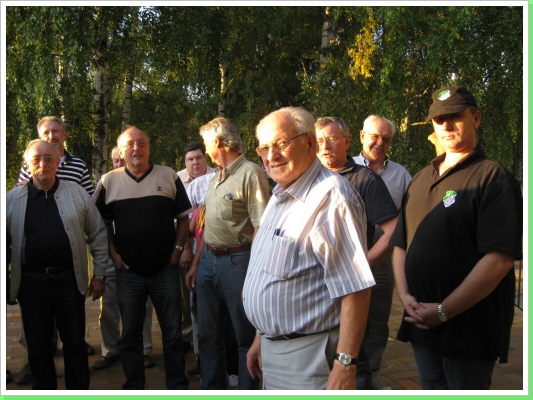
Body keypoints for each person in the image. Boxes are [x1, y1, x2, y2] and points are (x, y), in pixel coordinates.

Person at [389, 86, 522, 390]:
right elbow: (401, 243)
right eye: (439, 119)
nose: (447, 125)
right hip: (421, 323)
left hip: (470, 330)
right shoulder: (421, 178)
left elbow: (499, 259)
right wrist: (405, 296)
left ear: (476, 118)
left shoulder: (492, 177)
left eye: (456, 117)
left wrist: (443, 311)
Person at [243, 107, 375, 390]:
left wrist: (345, 365)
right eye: (264, 148)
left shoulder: (332, 198)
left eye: (281, 143)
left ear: (310, 143)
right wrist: (261, 338)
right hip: (275, 350)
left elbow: (356, 289)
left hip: (310, 359)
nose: (271, 155)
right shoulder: (280, 195)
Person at [94, 126, 192, 389]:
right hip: (128, 272)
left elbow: (184, 218)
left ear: (149, 147)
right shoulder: (108, 181)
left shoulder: (168, 176)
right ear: (121, 150)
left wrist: (177, 252)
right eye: (130, 144)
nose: (136, 148)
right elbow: (100, 224)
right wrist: (113, 254)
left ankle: (177, 386)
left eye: (141, 143)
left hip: (165, 270)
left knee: (172, 333)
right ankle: (134, 386)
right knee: (130, 335)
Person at [6, 139, 108, 389]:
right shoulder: (12, 199)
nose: (43, 163)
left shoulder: (77, 193)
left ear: (57, 163)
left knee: (74, 344)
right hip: (31, 284)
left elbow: (98, 233)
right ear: (27, 165)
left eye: (49, 158)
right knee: (38, 347)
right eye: (36, 159)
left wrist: (99, 275)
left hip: (68, 281)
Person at [185, 117, 270, 390]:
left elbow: (261, 228)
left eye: (207, 144)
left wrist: (255, 275)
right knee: (208, 335)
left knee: (244, 337)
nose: (206, 150)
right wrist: (196, 264)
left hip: (238, 263)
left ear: (218, 142)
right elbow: (208, 228)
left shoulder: (251, 173)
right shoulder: (214, 178)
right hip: (208, 261)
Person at [316, 117, 399, 389]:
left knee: (353, 356)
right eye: (319, 140)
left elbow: (394, 232)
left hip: (350, 289)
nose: (325, 146)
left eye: (332, 139)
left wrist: (361, 265)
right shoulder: (310, 178)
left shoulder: (365, 179)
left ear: (348, 141)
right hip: (315, 288)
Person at [353, 115, 412, 389]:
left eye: (386, 139)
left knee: (377, 317)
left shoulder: (402, 175)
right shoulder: (346, 167)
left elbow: (408, 217)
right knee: (344, 313)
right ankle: (346, 369)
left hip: (385, 257)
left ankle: (372, 373)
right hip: (349, 253)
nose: (380, 143)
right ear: (362, 136)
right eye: (375, 136)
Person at [92, 147, 155, 370]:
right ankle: (110, 350)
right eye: (115, 161)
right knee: (108, 307)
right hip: (111, 257)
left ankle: (144, 349)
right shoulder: (106, 183)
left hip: (139, 257)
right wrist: (109, 254)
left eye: (122, 160)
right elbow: (96, 221)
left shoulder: (145, 183)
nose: (119, 164)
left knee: (142, 307)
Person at [175, 142, 216, 356]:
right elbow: (179, 220)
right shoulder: (176, 179)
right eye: (190, 159)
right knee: (187, 297)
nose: (195, 163)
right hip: (185, 243)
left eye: (199, 158)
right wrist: (183, 249)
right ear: (185, 162)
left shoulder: (216, 178)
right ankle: (191, 342)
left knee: (204, 299)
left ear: (205, 158)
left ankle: (206, 351)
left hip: (211, 244)